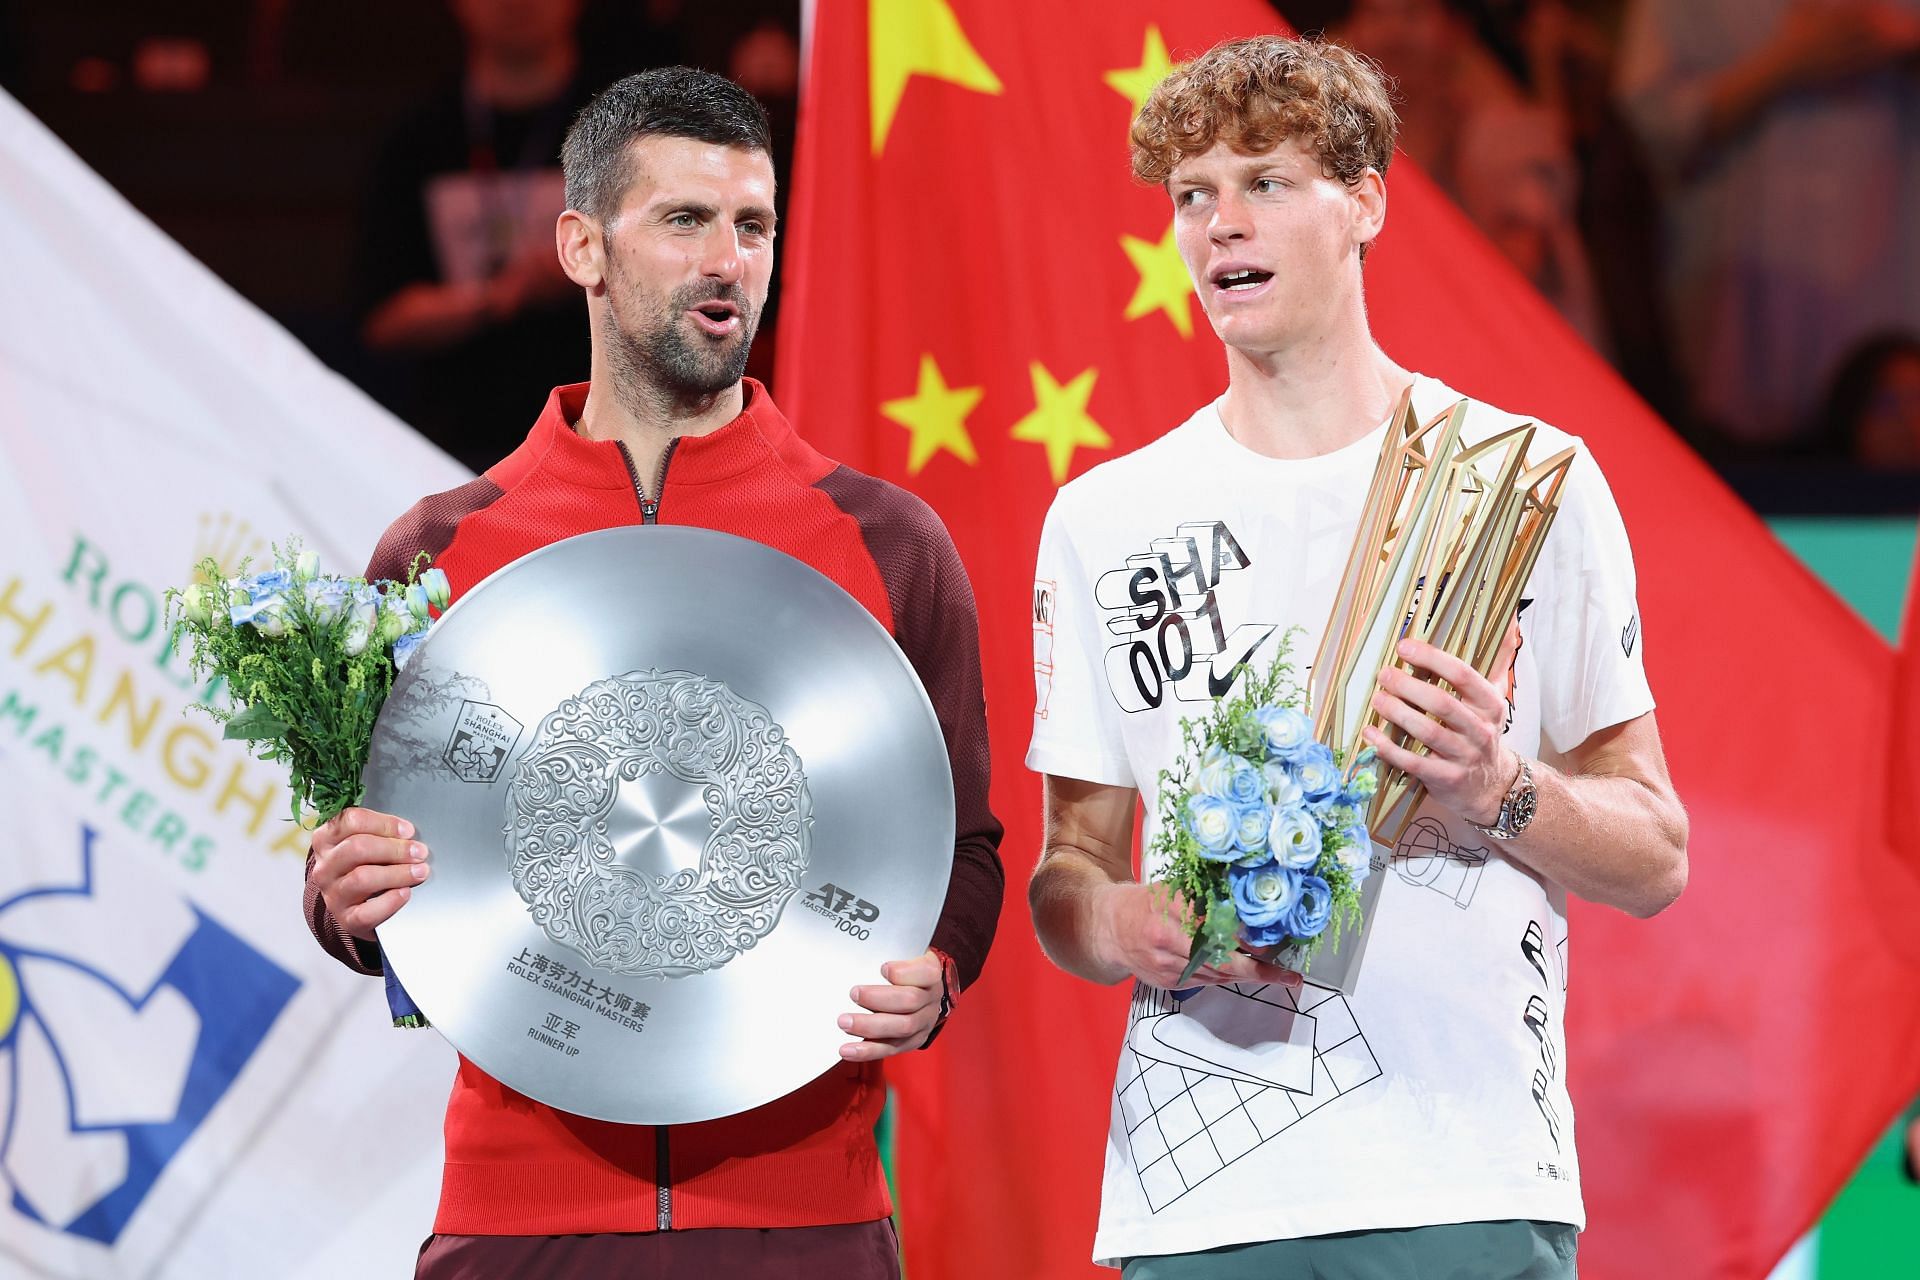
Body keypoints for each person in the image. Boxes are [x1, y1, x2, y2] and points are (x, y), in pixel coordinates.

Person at [306, 67, 1003, 1278]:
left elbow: (969, 850)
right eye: (684, 220)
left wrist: (936, 972)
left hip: (808, 1213)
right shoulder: (437, 550)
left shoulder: (887, 540)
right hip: (519, 1213)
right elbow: (379, 875)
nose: (727, 260)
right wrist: (342, 899)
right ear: (581, 244)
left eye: (753, 225)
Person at [1025, 35, 1687, 1278]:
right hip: (1200, 1197)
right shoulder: (1102, 519)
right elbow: (1067, 868)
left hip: (1468, 1172)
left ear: (1366, 201)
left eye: (1266, 182)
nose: (1222, 224)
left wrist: (1499, 787)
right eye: (1191, 195)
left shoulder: (1526, 483)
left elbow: (1656, 854)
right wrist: (1120, 919)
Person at [1615, 0, 1920, 452]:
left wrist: (1902, 44)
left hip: (1891, 338)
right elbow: (1646, 129)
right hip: (1742, 341)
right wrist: (1785, 63)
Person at [352, 0, 597, 471]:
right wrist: (498, 296)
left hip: (607, 446)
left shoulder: (631, 134)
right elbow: (383, 318)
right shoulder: (417, 141)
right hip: (454, 451)